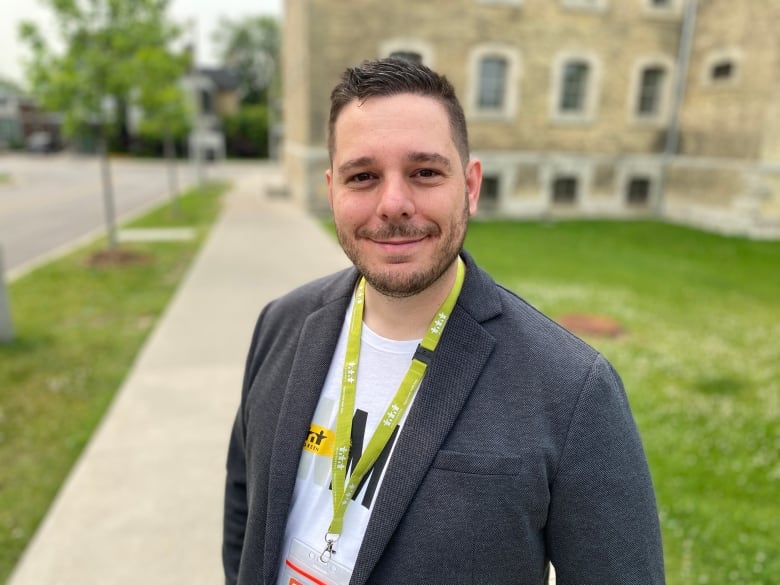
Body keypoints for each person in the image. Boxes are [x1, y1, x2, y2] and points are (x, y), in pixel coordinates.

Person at [222, 58, 665, 585]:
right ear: (332, 189)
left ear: (471, 186)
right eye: (362, 176)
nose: (393, 204)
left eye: (425, 172)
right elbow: (244, 509)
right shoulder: (282, 324)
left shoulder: (571, 389)